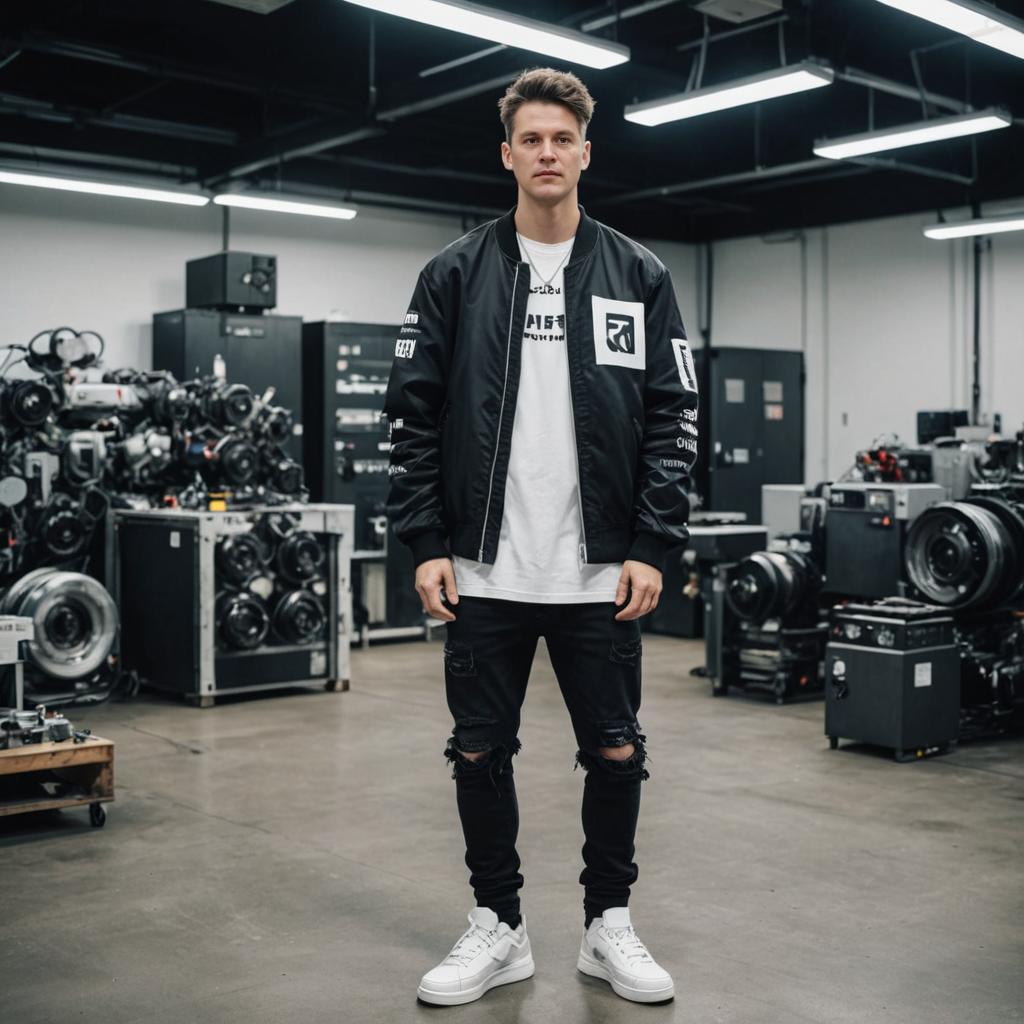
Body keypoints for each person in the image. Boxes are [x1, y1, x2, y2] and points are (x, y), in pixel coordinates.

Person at [384, 67, 698, 1007]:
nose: (548, 153)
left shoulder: (640, 274)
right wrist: (424, 540)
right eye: (533, 139)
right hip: (484, 569)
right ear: (509, 153)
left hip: (600, 574)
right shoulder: (453, 274)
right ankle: (500, 927)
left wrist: (650, 542)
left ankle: (610, 926)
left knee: (616, 751)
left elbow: (673, 418)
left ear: (586, 152)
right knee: (478, 752)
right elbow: (411, 418)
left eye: (564, 139)